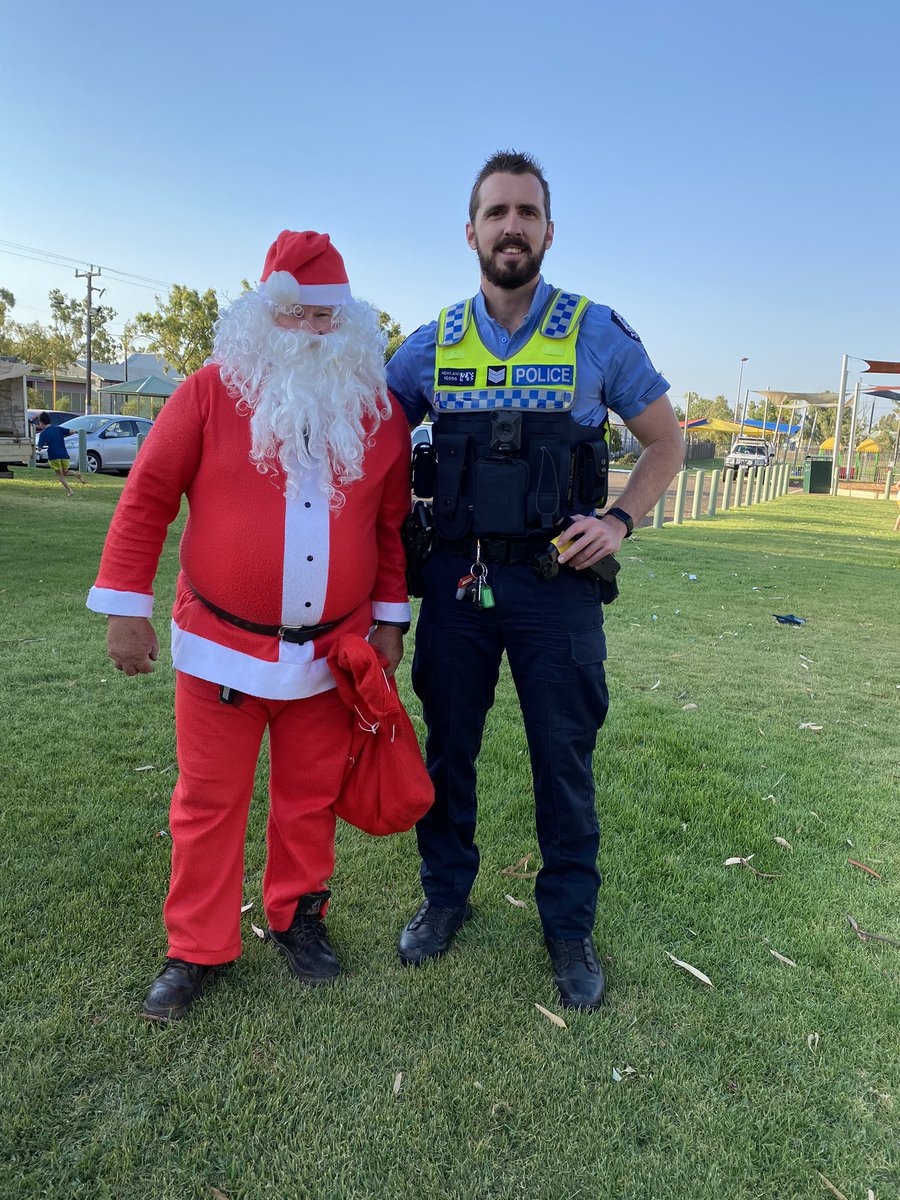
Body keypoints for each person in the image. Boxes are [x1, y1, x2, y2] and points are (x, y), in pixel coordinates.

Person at [385, 150, 684, 1010]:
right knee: (449, 749)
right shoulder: (429, 344)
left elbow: (667, 442)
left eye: (526, 212)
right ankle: (444, 899)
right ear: (471, 231)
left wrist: (620, 519)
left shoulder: (596, 332)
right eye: (496, 212)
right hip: (456, 583)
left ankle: (567, 925)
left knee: (564, 757)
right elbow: (369, 438)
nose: (510, 226)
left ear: (548, 230)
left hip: (559, 585)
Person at [87, 231, 412, 1022]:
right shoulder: (205, 392)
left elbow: (390, 529)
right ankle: (195, 947)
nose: (307, 327)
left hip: (330, 654)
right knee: (207, 801)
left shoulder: (380, 414)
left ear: (350, 324)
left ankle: (298, 918)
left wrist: (390, 623)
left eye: (323, 314)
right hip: (219, 651)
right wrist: (126, 608)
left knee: (308, 798)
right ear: (261, 316)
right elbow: (147, 499)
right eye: (291, 312)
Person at [33, 413, 86, 495]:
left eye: (39, 423)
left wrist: (38, 447)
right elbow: (71, 431)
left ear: (41, 422)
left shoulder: (43, 433)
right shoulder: (58, 429)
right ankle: (76, 474)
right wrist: (63, 436)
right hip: (64, 454)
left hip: (54, 455)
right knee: (65, 472)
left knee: (60, 475)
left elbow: (39, 449)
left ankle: (69, 491)